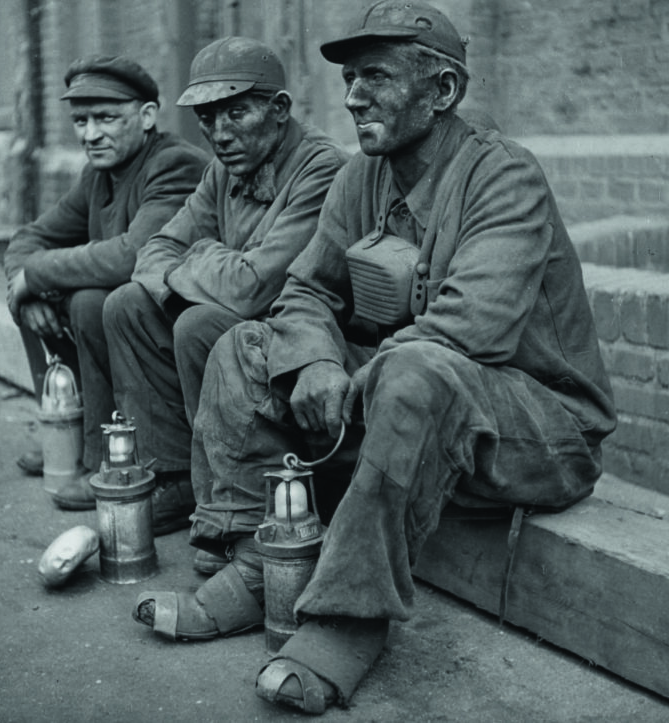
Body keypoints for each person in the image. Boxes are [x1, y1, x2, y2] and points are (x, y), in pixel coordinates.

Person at [131, 1, 617, 715]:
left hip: (543, 428)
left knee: (414, 369)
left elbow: (469, 328)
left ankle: (347, 619)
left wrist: (352, 377)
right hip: (414, 401)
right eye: (351, 77)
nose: (353, 95)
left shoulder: (503, 174)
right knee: (244, 343)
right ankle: (256, 560)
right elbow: (302, 292)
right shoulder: (363, 177)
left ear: (443, 92)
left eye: (377, 77)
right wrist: (319, 362)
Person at [55, 37, 348, 536]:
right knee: (126, 304)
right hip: (236, 323)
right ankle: (171, 476)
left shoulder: (321, 167)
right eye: (208, 119)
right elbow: (152, 254)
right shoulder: (223, 170)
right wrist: (211, 264)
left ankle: (228, 498)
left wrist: (199, 258)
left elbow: (254, 289)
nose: (219, 133)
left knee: (199, 321)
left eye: (236, 113)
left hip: (297, 342)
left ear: (279, 109)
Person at [4, 54, 209, 499]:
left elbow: (132, 256)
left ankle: (101, 461)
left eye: (106, 118)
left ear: (148, 115)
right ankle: (69, 440)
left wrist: (35, 274)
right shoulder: (99, 174)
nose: (90, 134)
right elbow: (30, 237)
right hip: (124, 326)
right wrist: (29, 287)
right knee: (34, 300)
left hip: (169, 334)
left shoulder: (176, 164)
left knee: (89, 301)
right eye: (80, 121)